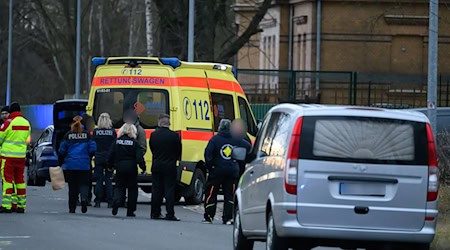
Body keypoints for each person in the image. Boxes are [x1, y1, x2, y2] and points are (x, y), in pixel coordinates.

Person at [203, 119, 241, 224]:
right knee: (230, 195)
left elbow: (208, 154)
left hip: (217, 172)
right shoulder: (236, 140)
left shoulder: (215, 139)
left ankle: (209, 216)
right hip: (231, 172)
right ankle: (228, 218)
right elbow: (246, 149)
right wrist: (238, 166)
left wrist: (210, 167)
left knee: (211, 194)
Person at [59, 116, 96, 214]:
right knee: (84, 184)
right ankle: (84, 199)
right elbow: (93, 148)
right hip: (84, 165)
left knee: (72, 187)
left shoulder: (68, 135)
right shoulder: (87, 135)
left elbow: (61, 150)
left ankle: (72, 208)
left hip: (71, 165)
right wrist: (88, 157)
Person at [108, 123, 146, 217]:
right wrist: (143, 168)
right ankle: (130, 211)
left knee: (119, 186)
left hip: (120, 166)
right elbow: (139, 157)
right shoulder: (134, 142)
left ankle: (116, 201)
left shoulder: (117, 141)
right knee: (132, 189)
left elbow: (111, 155)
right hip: (132, 167)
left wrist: (110, 166)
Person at [149, 114, 182, 221]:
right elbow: (178, 151)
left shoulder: (154, 135)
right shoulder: (174, 136)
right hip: (170, 166)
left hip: (157, 165)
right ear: (169, 123)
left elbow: (152, 148)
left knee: (156, 190)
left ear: (159, 122)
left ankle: (155, 212)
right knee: (169, 190)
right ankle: (170, 213)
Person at [0, 102, 31, 213]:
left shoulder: (8, 123)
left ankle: (6, 205)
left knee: (7, 180)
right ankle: (21, 205)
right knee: (20, 180)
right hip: (21, 157)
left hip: (8, 156)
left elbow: (0, 137)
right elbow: (28, 141)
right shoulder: (26, 123)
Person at [92, 113, 117, 208]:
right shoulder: (112, 132)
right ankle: (110, 201)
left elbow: (93, 145)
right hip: (109, 158)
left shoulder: (96, 132)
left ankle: (98, 201)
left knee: (99, 180)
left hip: (98, 157)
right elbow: (115, 146)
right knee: (108, 180)